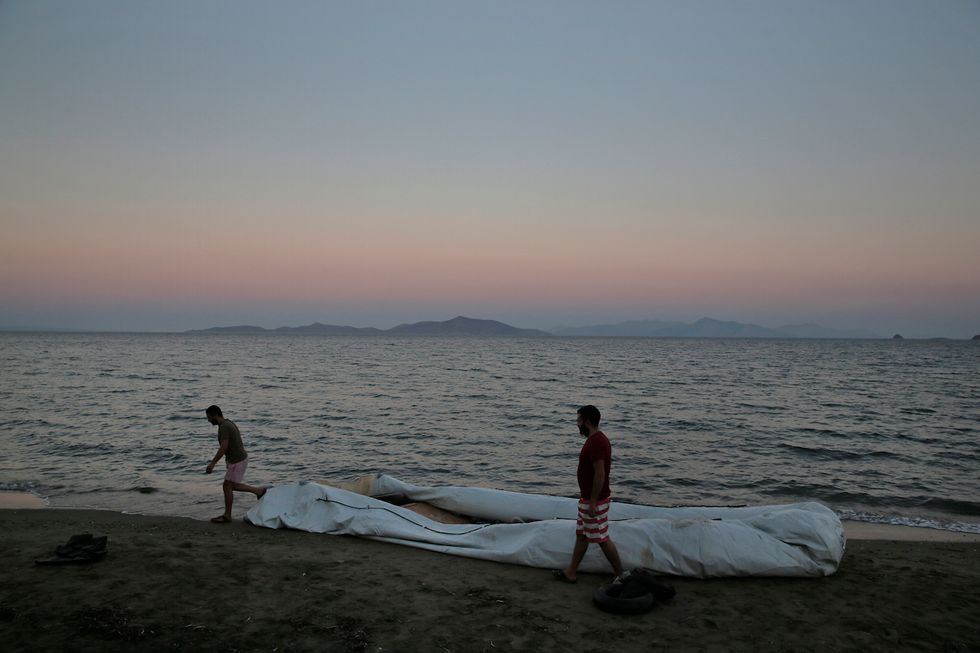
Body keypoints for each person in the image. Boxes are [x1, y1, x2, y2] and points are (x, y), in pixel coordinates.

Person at [554, 404, 624, 583]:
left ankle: (620, 574)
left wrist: (593, 502)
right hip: (588, 498)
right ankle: (571, 571)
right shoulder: (594, 440)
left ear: (587, 421)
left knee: (601, 538)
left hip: (595, 500)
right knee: (583, 535)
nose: (577, 424)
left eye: (579, 421)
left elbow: (600, 473)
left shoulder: (597, 442)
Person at [205, 405, 266, 523]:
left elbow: (224, 447)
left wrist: (212, 464)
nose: (208, 420)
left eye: (209, 417)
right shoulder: (227, 423)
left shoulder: (224, 427)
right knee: (229, 485)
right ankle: (259, 491)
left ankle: (228, 515)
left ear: (215, 415)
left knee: (227, 486)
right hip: (239, 459)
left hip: (237, 461)